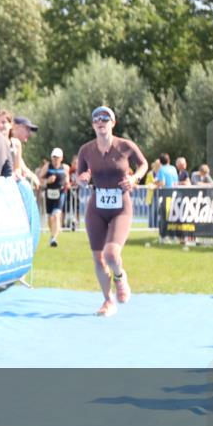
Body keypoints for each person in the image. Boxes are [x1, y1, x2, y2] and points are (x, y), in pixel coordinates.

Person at [75, 106, 148, 317]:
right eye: (96, 118)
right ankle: (108, 301)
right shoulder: (86, 150)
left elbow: (143, 164)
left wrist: (134, 179)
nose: (100, 121)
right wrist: (82, 180)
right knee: (98, 259)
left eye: (105, 118)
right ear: (93, 125)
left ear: (113, 123)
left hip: (120, 208)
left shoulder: (125, 146)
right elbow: (80, 176)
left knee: (112, 254)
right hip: (96, 208)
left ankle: (120, 277)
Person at [39, 148, 69, 247]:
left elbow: (67, 179)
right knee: (50, 217)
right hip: (49, 193)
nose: (55, 160)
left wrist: (67, 184)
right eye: (54, 157)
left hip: (60, 193)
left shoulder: (65, 167)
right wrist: (47, 181)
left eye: (57, 157)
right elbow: (40, 178)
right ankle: (52, 234)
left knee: (56, 215)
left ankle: (53, 238)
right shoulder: (47, 166)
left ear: (61, 158)